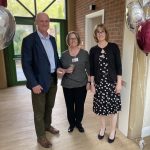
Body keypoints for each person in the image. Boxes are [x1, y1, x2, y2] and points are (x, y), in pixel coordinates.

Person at [21, 12, 62, 148]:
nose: (44, 23)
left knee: (49, 106)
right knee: (39, 111)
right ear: (36, 23)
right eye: (41, 21)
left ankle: (47, 126)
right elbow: (26, 64)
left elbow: (55, 58)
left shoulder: (52, 39)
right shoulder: (29, 40)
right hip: (38, 82)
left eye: (47, 21)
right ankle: (41, 136)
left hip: (52, 80)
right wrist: (33, 84)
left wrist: (61, 68)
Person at [89, 24, 122, 143]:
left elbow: (119, 67)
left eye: (102, 31)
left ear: (106, 33)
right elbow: (91, 69)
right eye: (98, 32)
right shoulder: (93, 50)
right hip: (99, 84)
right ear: (95, 35)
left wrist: (119, 83)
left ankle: (113, 130)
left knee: (113, 109)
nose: (100, 34)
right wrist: (92, 84)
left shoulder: (113, 47)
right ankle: (102, 128)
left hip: (112, 83)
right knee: (101, 109)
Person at [57, 31, 90, 133]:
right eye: (71, 38)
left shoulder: (84, 54)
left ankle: (78, 123)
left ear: (78, 40)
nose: (73, 40)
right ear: (68, 41)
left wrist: (89, 82)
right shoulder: (64, 55)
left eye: (75, 38)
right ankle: (71, 124)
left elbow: (89, 69)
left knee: (80, 106)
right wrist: (65, 71)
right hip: (67, 85)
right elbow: (59, 71)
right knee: (69, 106)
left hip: (81, 84)